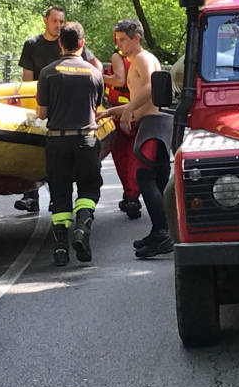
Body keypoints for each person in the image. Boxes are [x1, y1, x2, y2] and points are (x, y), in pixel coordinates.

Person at [97, 19, 171, 258]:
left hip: (152, 125)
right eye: (117, 40)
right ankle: (161, 230)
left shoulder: (141, 58)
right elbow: (139, 99)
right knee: (158, 181)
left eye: (123, 40)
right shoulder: (137, 61)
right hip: (152, 124)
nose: (119, 46)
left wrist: (129, 111)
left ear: (136, 37)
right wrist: (110, 112)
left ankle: (162, 233)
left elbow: (151, 86)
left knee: (144, 176)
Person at [15, 6, 101, 212]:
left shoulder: (70, 40)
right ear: (45, 21)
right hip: (42, 101)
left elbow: (94, 64)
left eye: (61, 21)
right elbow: (27, 80)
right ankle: (31, 195)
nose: (59, 25)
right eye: (55, 21)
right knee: (31, 147)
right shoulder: (33, 45)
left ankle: (56, 205)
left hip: (64, 108)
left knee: (58, 163)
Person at [36, 21, 104, 267]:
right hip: (86, 139)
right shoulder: (95, 73)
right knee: (88, 189)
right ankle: (82, 231)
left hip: (57, 142)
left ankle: (61, 249)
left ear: (60, 44)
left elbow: (42, 114)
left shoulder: (47, 73)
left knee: (60, 193)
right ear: (82, 45)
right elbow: (96, 109)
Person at [104, 43, 141, 219]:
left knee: (121, 156)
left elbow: (119, 80)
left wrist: (100, 76)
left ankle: (130, 194)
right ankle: (132, 194)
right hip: (138, 112)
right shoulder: (141, 58)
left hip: (121, 113)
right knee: (134, 156)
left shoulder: (117, 57)